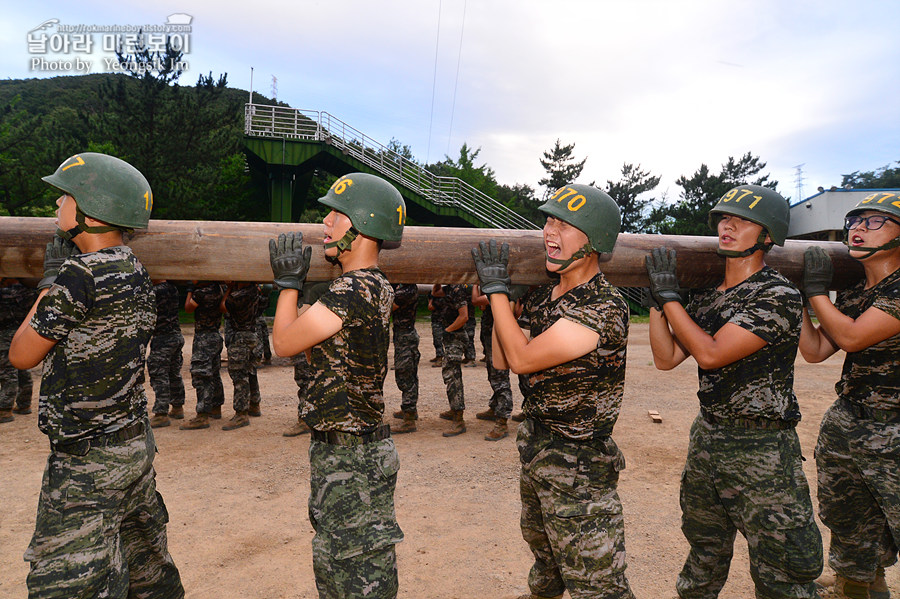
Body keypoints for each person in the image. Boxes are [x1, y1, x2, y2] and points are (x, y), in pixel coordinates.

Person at [9, 152, 183, 597]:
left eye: (64, 196)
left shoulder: (78, 275)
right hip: (131, 445)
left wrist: (50, 283)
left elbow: (21, 354)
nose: (56, 206)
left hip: (86, 463)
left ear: (90, 210)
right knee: (146, 570)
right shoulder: (136, 268)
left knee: (70, 584)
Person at [646, 184, 822, 599]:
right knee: (704, 548)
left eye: (742, 220)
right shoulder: (710, 296)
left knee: (782, 566)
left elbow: (710, 354)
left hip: (761, 446)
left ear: (767, 236)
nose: (728, 225)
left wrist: (671, 300)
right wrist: (657, 302)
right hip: (709, 437)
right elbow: (667, 357)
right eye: (724, 218)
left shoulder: (777, 294)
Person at [473, 183, 635, 599]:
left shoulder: (603, 306)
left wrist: (495, 293)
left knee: (598, 585)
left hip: (578, 463)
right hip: (538, 448)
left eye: (564, 224)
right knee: (546, 560)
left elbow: (524, 360)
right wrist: (502, 303)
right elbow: (503, 360)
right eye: (548, 220)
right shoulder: (546, 297)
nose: (549, 231)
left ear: (595, 240)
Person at [269, 172, 405, 599]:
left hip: (352, 458)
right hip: (343, 451)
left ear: (361, 225)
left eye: (336, 213)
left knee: (360, 576)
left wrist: (288, 285)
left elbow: (283, 342)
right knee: (336, 570)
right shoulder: (372, 285)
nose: (325, 221)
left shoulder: (353, 289)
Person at [798, 194, 900, 599]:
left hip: (893, 426)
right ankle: (857, 585)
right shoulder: (858, 289)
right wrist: (804, 298)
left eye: (875, 221)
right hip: (851, 416)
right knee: (847, 509)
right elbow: (817, 350)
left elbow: (854, 336)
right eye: (854, 219)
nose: (857, 227)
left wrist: (817, 291)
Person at [180, 280, 225, 430]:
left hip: (203, 337)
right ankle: (216, 407)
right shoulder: (219, 289)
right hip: (215, 334)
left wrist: (190, 290)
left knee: (201, 376)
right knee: (214, 372)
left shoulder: (200, 293)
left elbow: (187, 308)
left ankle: (202, 416)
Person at [471, 283, 513, 441]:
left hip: (498, 338)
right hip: (490, 336)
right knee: (493, 374)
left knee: (500, 378)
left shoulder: (500, 293)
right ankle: (495, 407)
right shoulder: (494, 292)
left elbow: (476, 300)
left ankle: (502, 422)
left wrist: (475, 284)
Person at [219, 281, 263, 430]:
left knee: (239, 376)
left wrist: (230, 287)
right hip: (251, 335)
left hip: (241, 338)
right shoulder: (254, 291)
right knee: (250, 371)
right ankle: (254, 404)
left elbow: (223, 306)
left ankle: (241, 414)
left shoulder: (239, 295)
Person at [148, 279, 187, 428]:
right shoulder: (173, 288)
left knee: (159, 374)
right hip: (176, 336)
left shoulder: (155, 291)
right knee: (173, 373)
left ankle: (161, 413)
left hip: (163, 338)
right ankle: (177, 407)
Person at [434, 283, 470, 437]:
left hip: (455, 336)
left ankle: (458, 419)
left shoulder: (457, 288)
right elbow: (436, 293)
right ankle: (454, 410)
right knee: (449, 374)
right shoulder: (448, 287)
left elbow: (464, 316)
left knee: (452, 376)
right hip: (451, 337)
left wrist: (447, 330)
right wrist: (437, 280)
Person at [0, 278, 38, 422]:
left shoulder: (5, 292)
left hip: (5, 334)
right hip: (23, 332)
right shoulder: (26, 290)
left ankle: (4, 409)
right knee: (23, 368)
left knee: (7, 371)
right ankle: (24, 404)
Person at [390, 282, 421, 434]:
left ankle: (409, 419)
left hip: (405, 336)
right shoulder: (402, 286)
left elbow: (388, 308)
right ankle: (410, 410)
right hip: (402, 333)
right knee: (408, 374)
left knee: (405, 375)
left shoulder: (406, 289)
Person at [427, 286, 446, 366]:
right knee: (437, 339)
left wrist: (431, 300)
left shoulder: (442, 295)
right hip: (438, 319)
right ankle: (439, 356)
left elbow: (430, 307)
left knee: (438, 339)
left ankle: (440, 358)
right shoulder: (435, 292)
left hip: (440, 320)